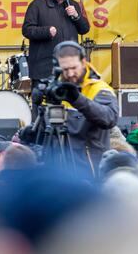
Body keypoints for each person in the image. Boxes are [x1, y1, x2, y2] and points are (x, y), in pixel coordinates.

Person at [48, 41, 119, 177]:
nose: (70, 73)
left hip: (90, 172)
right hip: (58, 171)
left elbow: (109, 118)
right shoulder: (56, 89)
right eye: (65, 69)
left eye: (74, 68)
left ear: (84, 62)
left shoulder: (99, 88)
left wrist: (77, 99)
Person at [22, 0, 90, 81]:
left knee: (69, 97)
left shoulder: (73, 5)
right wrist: (46, 31)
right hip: (44, 68)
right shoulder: (37, 5)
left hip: (68, 69)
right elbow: (27, 30)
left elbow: (85, 29)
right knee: (46, 97)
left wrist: (77, 16)